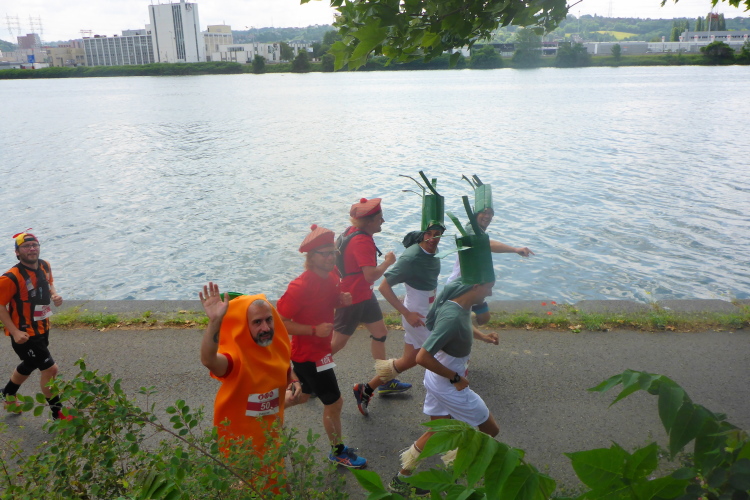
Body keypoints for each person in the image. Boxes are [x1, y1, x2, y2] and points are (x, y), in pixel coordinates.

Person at [389, 199, 500, 496]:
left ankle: (402, 478)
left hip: (438, 379)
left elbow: (461, 326)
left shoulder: (458, 300)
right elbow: (422, 356)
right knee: (491, 430)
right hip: (448, 381)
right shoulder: (452, 315)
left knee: (437, 432)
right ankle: (467, 475)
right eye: (489, 287)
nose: (491, 292)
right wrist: (456, 378)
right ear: (476, 287)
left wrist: (482, 336)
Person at [276, 224, 367, 469]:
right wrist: (314, 330)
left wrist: (340, 300)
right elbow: (280, 322)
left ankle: (268, 409)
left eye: (333, 252)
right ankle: (338, 452)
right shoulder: (300, 286)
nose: (330, 257)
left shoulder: (333, 274)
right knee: (334, 403)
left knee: (304, 396)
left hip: (321, 351)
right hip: (309, 356)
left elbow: (325, 301)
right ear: (311, 257)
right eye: (324, 253)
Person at [329, 197, 407, 417]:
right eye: (379, 218)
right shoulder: (362, 241)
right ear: (369, 222)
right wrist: (388, 262)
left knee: (380, 333)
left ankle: (384, 380)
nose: (383, 221)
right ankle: (305, 373)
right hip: (352, 298)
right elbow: (370, 275)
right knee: (337, 343)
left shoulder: (350, 231)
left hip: (363, 294)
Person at [199, 283, 298, 456]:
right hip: (241, 448)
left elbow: (285, 368)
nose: (265, 328)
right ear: (245, 325)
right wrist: (215, 322)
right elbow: (209, 360)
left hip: (271, 440)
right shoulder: (236, 359)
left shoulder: (278, 347)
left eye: (268, 319)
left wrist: (294, 380)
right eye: (257, 322)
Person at [0, 231, 65, 419]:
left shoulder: (44, 265)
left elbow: (49, 283)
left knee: (30, 363)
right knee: (50, 369)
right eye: (26, 246)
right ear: (17, 252)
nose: (32, 249)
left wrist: (54, 295)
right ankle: (58, 413)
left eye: (34, 245)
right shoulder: (10, 277)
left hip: (42, 326)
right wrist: (14, 332)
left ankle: (8, 394)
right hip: (24, 333)